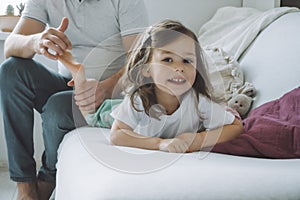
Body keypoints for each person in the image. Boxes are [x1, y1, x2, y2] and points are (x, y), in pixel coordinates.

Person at [0, 0, 148, 199]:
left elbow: (140, 59)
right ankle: (25, 188)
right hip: (70, 83)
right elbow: (10, 46)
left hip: (113, 93)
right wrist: (35, 41)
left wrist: (106, 88)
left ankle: (47, 179)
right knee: (10, 71)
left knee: (57, 107)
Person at [61, 20, 244, 153]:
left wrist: (197, 140)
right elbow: (117, 135)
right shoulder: (138, 100)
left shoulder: (197, 100)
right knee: (94, 114)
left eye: (187, 60)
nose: (179, 67)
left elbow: (236, 127)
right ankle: (79, 75)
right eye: (167, 60)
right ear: (147, 69)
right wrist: (159, 144)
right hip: (111, 113)